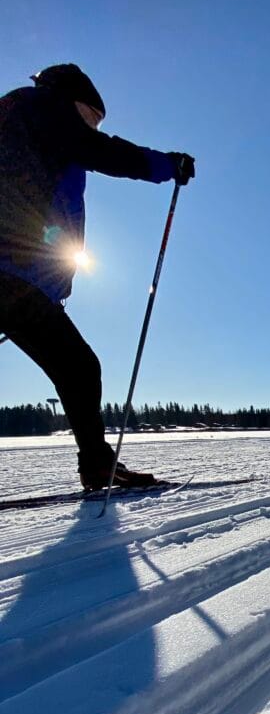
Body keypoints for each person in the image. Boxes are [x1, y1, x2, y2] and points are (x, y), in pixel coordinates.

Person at [0, 64, 195, 490]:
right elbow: (103, 152)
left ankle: (98, 464)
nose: (91, 127)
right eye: (91, 117)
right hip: (11, 277)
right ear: (72, 99)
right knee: (79, 367)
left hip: (18, 278)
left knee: (78, 367)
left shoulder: (16, 113)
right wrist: (168, 164)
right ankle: (97, 465)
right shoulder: (43, 108)